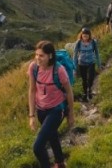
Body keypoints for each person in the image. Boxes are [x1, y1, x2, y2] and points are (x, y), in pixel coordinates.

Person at [27, 40, 74, 168]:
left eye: (41, 55)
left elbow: (69, 92)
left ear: (50, 56)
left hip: (57, 110)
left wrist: (71, 114)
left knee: (38, 147)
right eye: (36, 54)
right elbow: (32, 90)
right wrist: (31, 116)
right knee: (52, 135)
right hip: (41, 110)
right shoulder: (33, 67)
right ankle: (60, 163)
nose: (38, 58)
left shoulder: (59, 70)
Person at [73, 27, 100, 101]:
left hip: (91, 62)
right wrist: (74, 66)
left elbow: (97, 53)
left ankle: (89, 90)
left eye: (87, 35)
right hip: (82, 63)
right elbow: (75, 54)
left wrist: (99, 63)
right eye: (84, 35)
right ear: (81, 35)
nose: (85, 36)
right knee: (84, 79)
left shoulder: (93, 42)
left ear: (89, 35)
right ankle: (85, 94)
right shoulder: (78, 43)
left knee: (91, 78)